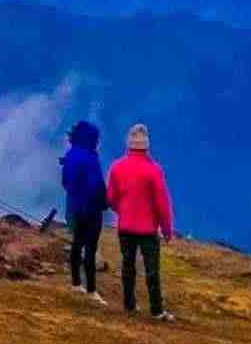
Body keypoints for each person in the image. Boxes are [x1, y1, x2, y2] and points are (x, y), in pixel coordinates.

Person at [106, 123, 175, 321]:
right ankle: (156, 310)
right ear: (146, 147)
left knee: (128, 266)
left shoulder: (117, 167)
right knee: (152, 270)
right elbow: (162, 203)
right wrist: (167, 230)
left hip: (125, 227)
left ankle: (129, 305)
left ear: (128, 145)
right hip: (147, 230)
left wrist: (123, 211)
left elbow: (110, 198)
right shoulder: (154, 170)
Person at [59, 120, 108, 304]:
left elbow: (65, 183)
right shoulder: (90, 158)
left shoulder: (70, 155)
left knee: (77, 243)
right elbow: (96, 184)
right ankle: (91, 290)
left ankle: (76, 283)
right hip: (91, 208)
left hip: (74, 206)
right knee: (91, 248)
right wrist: (104, 202)